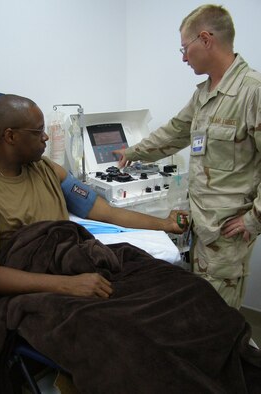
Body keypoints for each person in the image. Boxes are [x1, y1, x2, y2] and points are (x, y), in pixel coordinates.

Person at [0, 94, 187, 299]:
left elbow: (105, 212)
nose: (45, 137)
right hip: (38, 288)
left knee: (178, 283)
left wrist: (164, 224)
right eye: (37, 132)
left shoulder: (47, 169)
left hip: (75, 265)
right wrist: (67, 285)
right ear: (10, 136)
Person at [113, 4, 261, 309]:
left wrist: (254, 218)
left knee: (219, 318)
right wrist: (132, 152)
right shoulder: (204, 94)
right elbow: (175, 132)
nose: (183, 57)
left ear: (206, 39)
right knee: (200, 308)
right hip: (199, 225)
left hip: (226, 232)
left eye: (185, 48)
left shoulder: (252, 93)